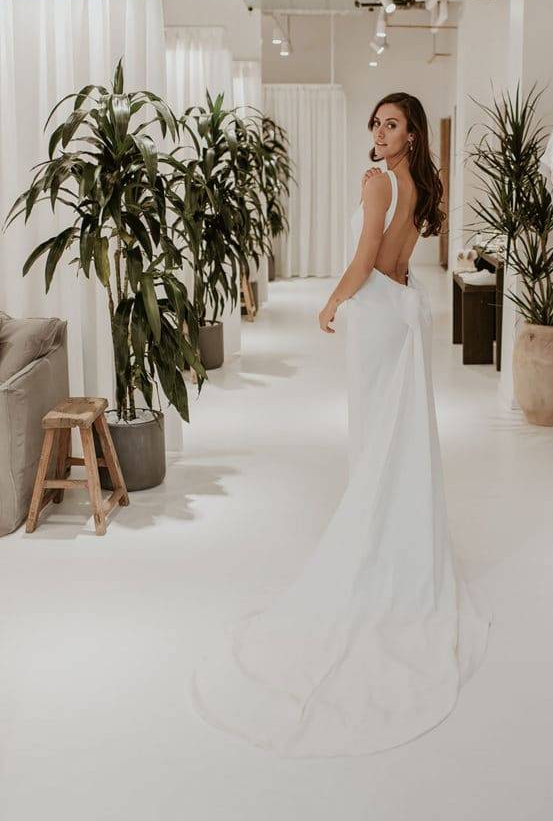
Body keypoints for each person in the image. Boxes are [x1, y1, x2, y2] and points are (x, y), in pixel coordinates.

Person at [191, 92, 491, 758]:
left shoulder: (379, 180)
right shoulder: (417, 183)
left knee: (377, 438)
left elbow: (365, 259)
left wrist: (331, 299)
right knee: (397, 437)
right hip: (402, 309)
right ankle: (398, 542)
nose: (379, 133)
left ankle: (377, 546)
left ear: (411, 133)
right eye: (375, 124)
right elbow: (401, 259)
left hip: (377, 311)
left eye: (391, 124)